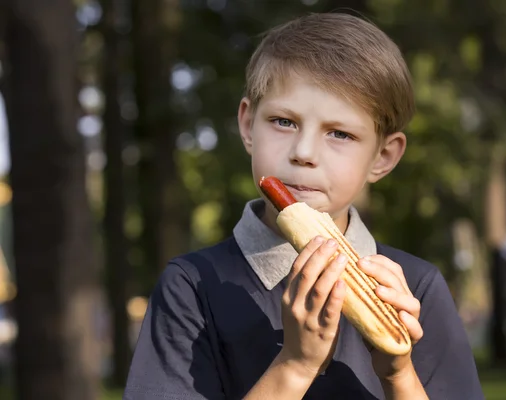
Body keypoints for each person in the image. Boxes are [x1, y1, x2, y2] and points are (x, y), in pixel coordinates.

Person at [123, 12, 484, 400]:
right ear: (248, 125)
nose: (304, 153)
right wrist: (295, 366)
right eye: (284, 122)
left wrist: (399, 374)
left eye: (340, 133)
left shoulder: (416, 288)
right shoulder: (191, 286)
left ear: (383, 156)